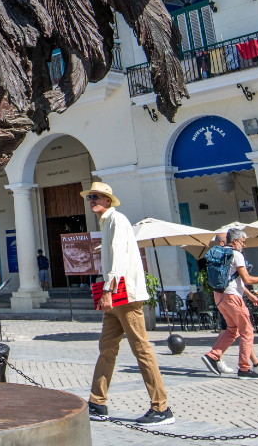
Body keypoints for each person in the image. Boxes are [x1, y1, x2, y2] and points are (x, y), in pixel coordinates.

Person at [85, 182, 174, 426]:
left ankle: (161, 406)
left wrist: (107, 290)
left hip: (125, 295)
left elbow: (119, 260)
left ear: (107, 200)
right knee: (107, 348)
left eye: (96, 197)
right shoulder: (107, 223)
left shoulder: (116, 220)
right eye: (90, 197)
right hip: (117, 297)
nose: (92, 200)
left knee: (141, 348)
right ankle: (97, 401)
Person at [200, 228, 258, 380]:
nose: (244, 245)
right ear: (235, 241)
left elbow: (236, 280)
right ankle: (244, 368)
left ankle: (213, 356)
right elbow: (246, 279)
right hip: (233, 297)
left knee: (232, 329)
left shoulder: (221, 253)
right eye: (243, 242)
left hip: (219, 295)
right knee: (247, 331)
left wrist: (248, 294)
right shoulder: (236, 255)